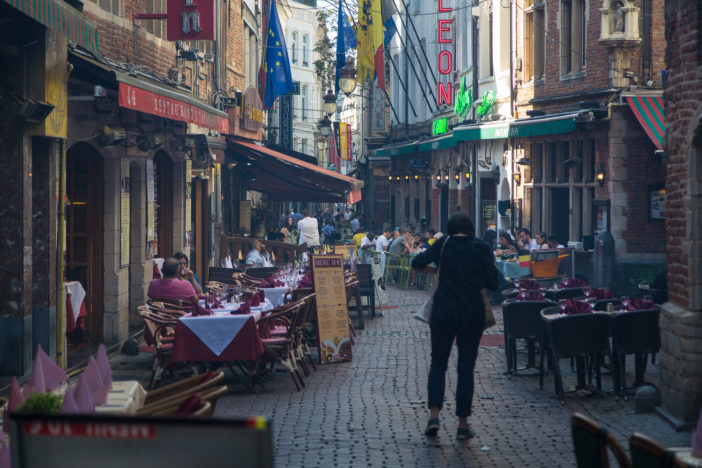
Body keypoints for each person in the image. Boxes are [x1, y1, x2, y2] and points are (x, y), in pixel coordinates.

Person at [411, 213, 499, 440]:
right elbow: (493, 282)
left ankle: (433, 416)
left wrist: (438, 271)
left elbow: (417, 263)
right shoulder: (481, 247)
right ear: (470, 228)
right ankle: (462, 424)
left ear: (450, 228)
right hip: (472, 313)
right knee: (466, 367)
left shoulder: (443, 243)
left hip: (443, 311)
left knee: (438, 363)